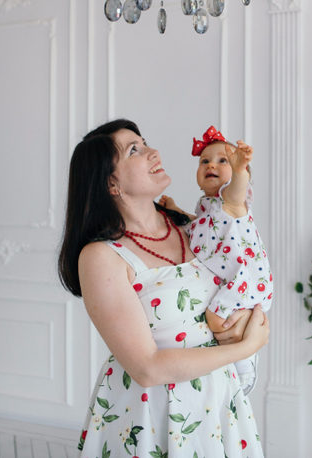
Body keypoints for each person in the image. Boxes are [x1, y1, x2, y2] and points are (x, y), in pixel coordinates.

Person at [57, 119, 269, 458]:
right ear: (111, 183)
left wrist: (246, 320)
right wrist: (245, 348)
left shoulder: (191, 227)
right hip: (152, 411)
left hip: (217, 404)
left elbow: (244, 271)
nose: (153, 152)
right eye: (134, 150)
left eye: (145, 142)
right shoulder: (101, 257)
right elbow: (147, 368)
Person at [160, 126, 273, 394]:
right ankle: (236, 362)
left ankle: (245, 365)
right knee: (220, 320)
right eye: (205, 161)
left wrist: (240, 169)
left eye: (223, 160)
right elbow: (198, 225)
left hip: (243, 279)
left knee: (215, 319)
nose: (211, 165)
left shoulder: (231, 201)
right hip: (229, 279)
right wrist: (175, 210)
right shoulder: (207, 207)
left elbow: (236, 189)